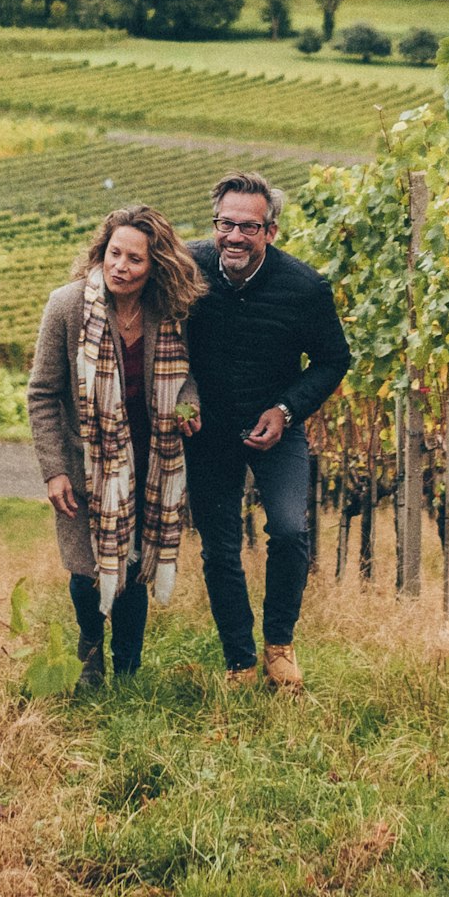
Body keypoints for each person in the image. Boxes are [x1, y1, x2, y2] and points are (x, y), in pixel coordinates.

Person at [183, 173, 351, 690]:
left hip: (275, 425)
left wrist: (286, 409)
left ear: (271, 231)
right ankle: (239, 660)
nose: (233, 236)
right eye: (225, 224)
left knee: (290, 528)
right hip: (209, 431)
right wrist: (185, 395)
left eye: (248, 227)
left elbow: (332, 360)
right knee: (220, 547)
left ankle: (279, 644)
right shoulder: (186, 270)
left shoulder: (305, 288)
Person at [24, 203, 202, 687]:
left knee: (134, 564)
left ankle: (127, 666)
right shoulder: (67, 306)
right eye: (114, 254)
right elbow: (41, 393)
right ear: (101, 253)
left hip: (151, 461)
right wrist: (55, 469)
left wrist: (187, 402)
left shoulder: (170, 314)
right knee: (86, 568)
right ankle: (89, 653)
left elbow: (187, 376)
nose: (121, 267)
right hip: (88, 463)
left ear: (155, 265)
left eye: (135, 259)